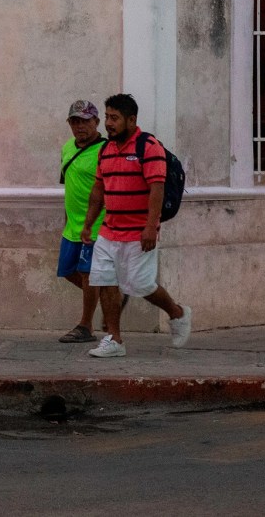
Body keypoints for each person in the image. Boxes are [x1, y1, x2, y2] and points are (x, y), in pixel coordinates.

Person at [81, 93, 192, 358]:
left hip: (138, 231)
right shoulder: (105, 150)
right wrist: (89, 224)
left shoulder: (148, 146)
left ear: (131, 120)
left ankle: (177, 313)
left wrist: (151, 227)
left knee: (141, 285)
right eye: (107, 117)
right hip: (109, 231)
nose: (108, 123)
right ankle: (114, 340)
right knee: (104, 280)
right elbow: (99, 190)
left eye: (114, 118)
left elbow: (157, 188)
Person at [56, 100, 107, 343]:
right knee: (67, 271)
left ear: (97, 122)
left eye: (85, 121)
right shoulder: (68, 148)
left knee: (88, 274)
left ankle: (85, 326)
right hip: (72, 226)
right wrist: (66, 220)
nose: (80, 126)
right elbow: (69, 186)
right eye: (75, 121)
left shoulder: (106, 150)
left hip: (97, 224)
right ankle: (110, 293)